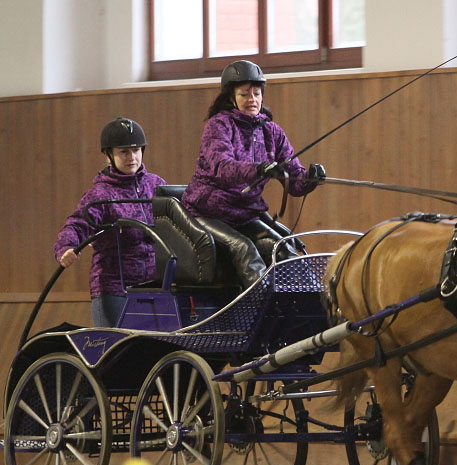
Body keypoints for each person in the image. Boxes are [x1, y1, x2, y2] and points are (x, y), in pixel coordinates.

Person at [181, 59, 326, 288]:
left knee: (282, 247)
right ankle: (260, 308)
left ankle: (310, 304)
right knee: (244, 248)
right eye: (244, 94)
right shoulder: (218, 126)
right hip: (208, 212)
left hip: (245, 214)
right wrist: (258, 168)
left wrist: (310, 179)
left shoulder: (271, 131)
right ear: (231, 97)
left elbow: (294, 181)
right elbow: (221, 167)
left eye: (257, 93)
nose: (252, 100)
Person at [54, 117, 166, 327]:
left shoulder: (156, 185)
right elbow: (77, 223)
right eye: (123, 152)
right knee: (115, 353)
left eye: (136, 150)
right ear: (108, 156)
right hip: (114, 289)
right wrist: (65, 247)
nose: (131, 157)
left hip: (154, 286)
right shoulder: (100, 194)